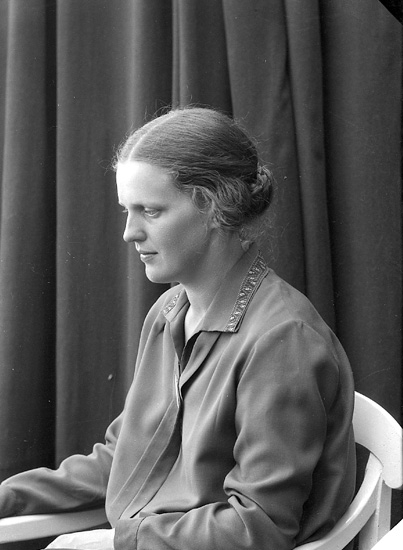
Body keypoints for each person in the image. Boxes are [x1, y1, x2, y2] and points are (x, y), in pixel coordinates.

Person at [0, 107, 356, 550]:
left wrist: (117, 542)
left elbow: (260, 526)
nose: (129, 232)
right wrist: (8, 498)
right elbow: (128, 459)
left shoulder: (283, 339)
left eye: (150, 211)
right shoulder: (169, 311)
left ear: (215, 208)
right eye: (127, 210)